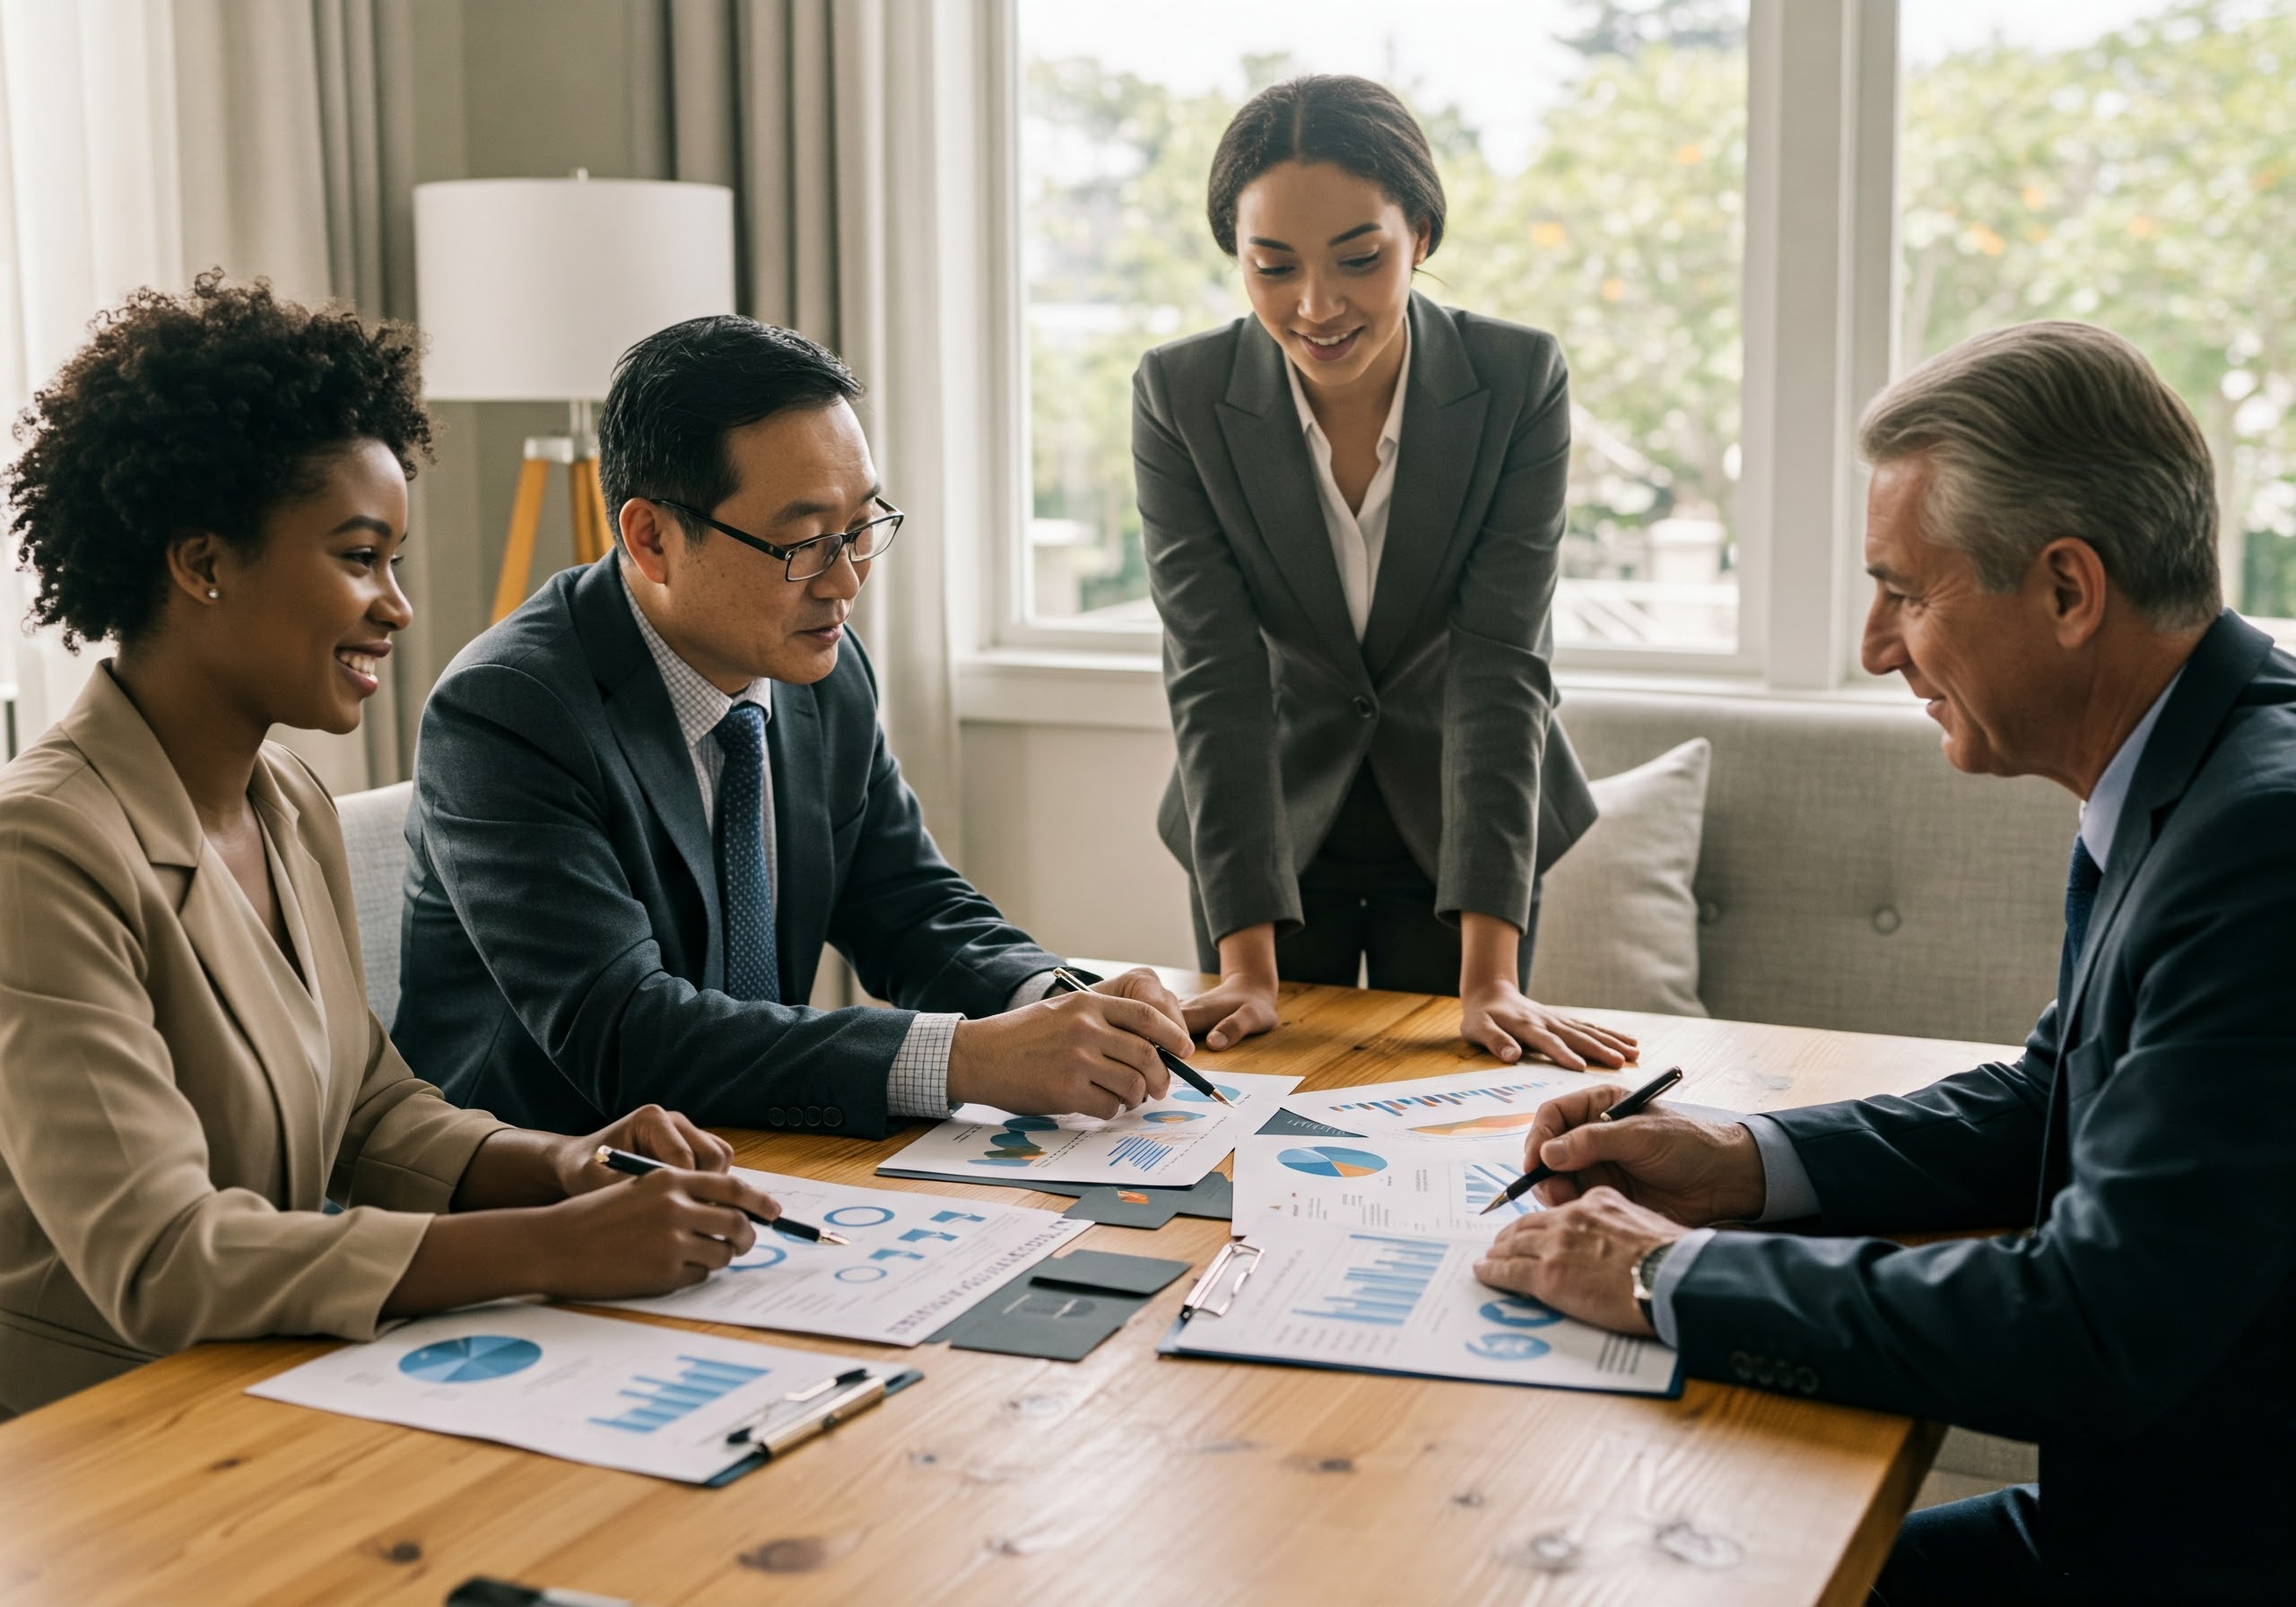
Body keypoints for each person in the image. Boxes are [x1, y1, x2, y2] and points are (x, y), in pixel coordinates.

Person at [1472, 322, 2296, 1604]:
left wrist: (1657, 1270)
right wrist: (1737, 1163)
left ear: (2069, 591)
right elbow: (2048, 1101)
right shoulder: (2188, 777)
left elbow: (2091, 1321)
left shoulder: (2262, 843)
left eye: (1907, 592)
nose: (1875, 644)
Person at [0, 277, 785, 1418]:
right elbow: (164, 1259)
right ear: (203, 563)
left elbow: (368, 1110)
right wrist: (554, 1244)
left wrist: (562, 1162)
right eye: (361, 557)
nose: (398, 608)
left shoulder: (286, 801)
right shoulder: (42, 851)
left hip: (285, 1377)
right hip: (107, 1438)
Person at [396, 316, 1192, 1139]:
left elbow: (907, 904)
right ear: (652, 538)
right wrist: (968, 1058)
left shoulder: (824, 669)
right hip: (543, 1186)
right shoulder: (506, 711)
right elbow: (627, 1032)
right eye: (805, 542)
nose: (845, 580)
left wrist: (1059, 999)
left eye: (861, 527)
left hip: (756, 1151)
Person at [1132, 75, 1635, 1072]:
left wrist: (1493, 975)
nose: (1315, 306)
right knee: (1254, 1110)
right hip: (1265, 822)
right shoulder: (1178, 394)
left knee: (1453, 1109)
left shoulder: (1517, 379)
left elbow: (1501, 665)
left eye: (1358, 259)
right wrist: (1244, 966)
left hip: (1461, 813)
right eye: (1270, 266)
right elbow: (1214, 675)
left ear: (1422, 235)